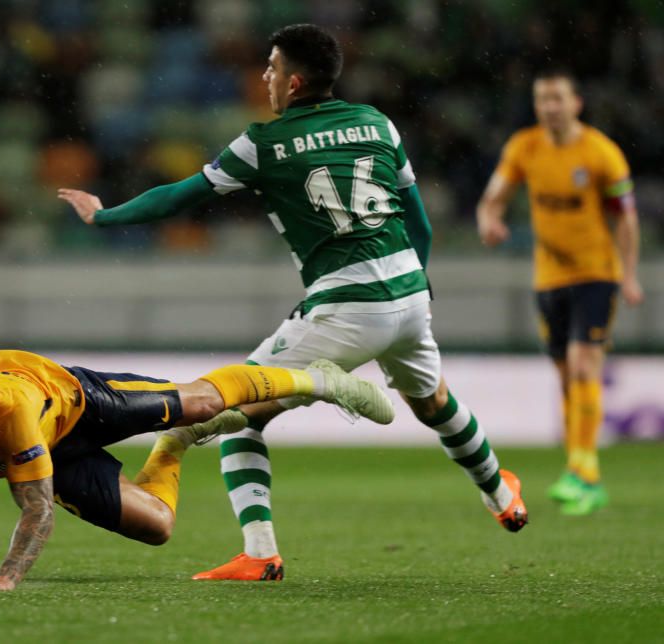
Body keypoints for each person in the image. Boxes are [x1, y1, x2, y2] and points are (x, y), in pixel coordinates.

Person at [59, 23, 528, 582]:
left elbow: (178, 197)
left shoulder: (263, 143)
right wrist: (416, 289)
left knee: (233, 410)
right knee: (433, 403)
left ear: (295, 80)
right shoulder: (377, 122)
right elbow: (417, 220)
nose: (265, 76)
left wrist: (104, 214)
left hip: (345, 306)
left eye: (272, 67)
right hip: (408, 292)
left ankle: (259, 553)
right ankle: (502, 494)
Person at [0, 348, 392, 590]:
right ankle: (175, 445)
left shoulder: (12, 417)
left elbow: (36, 510)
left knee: (202, 402)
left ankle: (319, 382)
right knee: (158, 528)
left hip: (83, 401)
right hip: (60, 453)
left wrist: (5, 579)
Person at [476, 69, 643, 516]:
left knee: (584, 362)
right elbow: (493, 196)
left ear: (577, 104)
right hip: (548, 279)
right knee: (567, 376)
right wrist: (489, 220)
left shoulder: (601, 153)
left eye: (557, 98)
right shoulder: (524, 147)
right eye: (541, 99)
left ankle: (580, 469)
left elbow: (626, 217)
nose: (549, 106)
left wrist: (628, 274)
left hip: (596, 273)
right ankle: (586, 476)